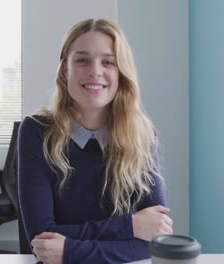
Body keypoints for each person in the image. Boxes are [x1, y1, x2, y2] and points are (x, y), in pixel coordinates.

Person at [18, 18, 173, 264]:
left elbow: (157, 240)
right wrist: (131, 225)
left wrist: (70, 250)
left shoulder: (142, 135)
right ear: (65, 70)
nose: (95, 71)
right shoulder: (36, 132)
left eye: (108, 62)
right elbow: (41, 240)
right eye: (82, 60)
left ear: (121, 72)